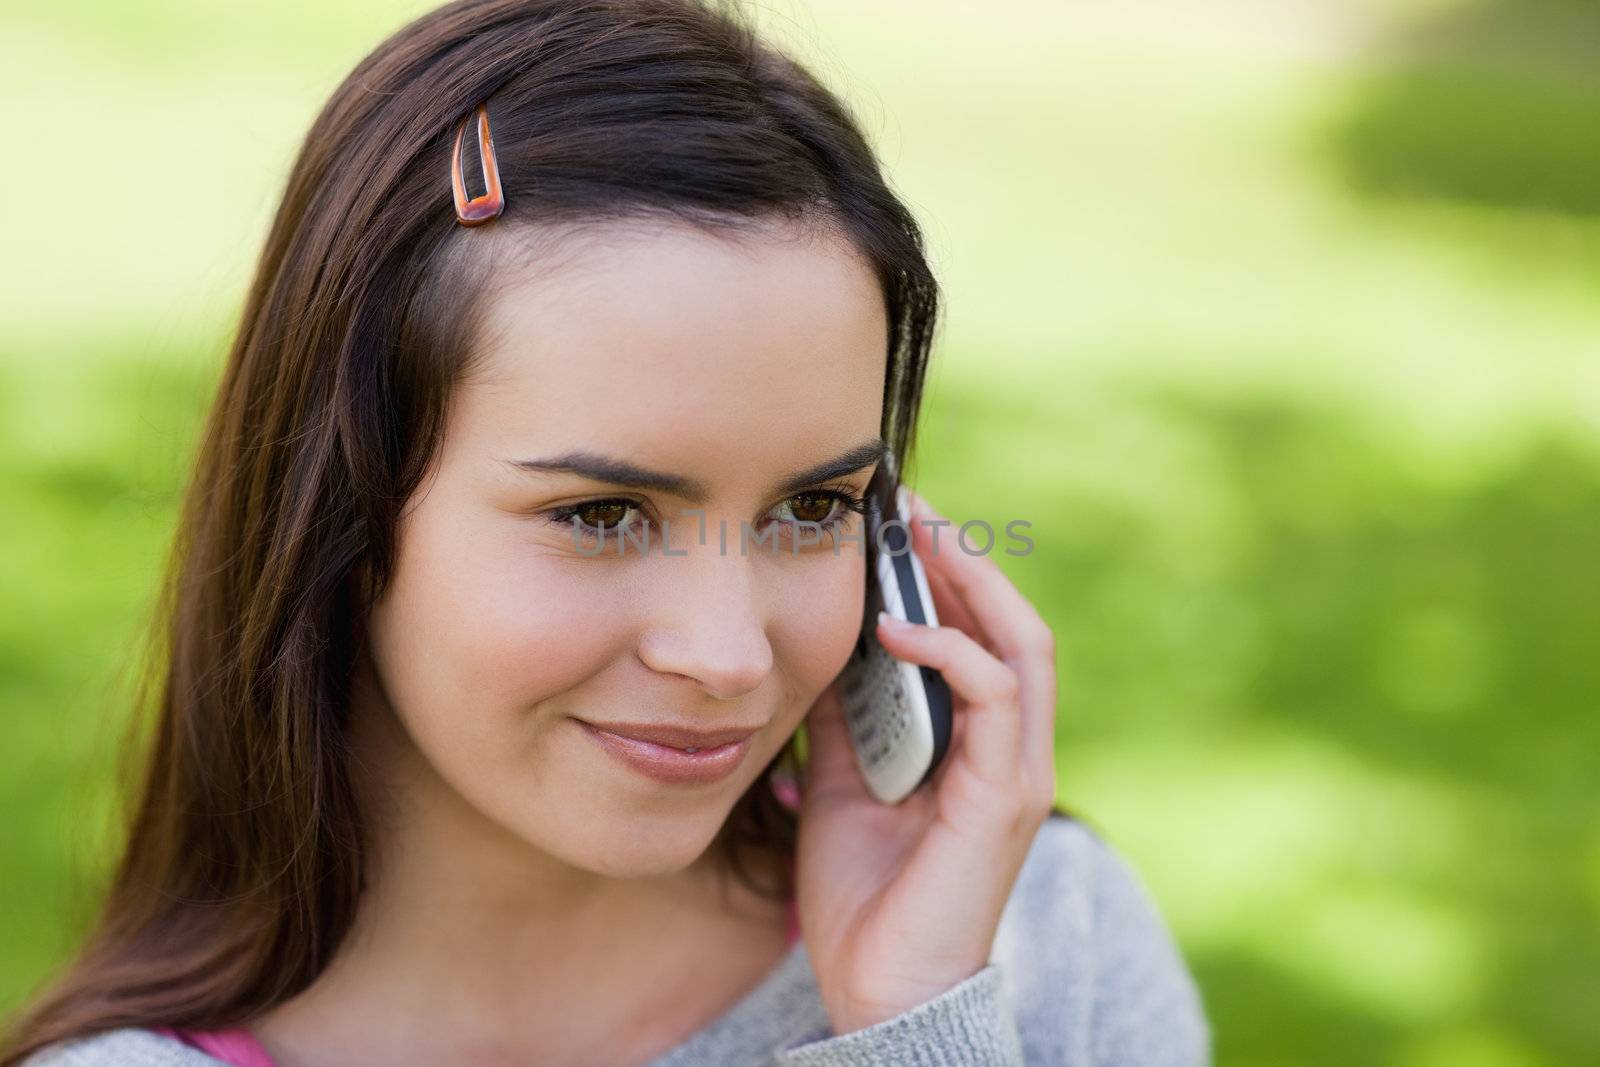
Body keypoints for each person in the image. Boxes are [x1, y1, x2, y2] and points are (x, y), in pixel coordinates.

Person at [0, 1, 1210, 1063]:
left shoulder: (1043, 935)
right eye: (599, 513)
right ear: (341, 515)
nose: (727, 655)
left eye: (811, 508)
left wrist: (911, 1024)